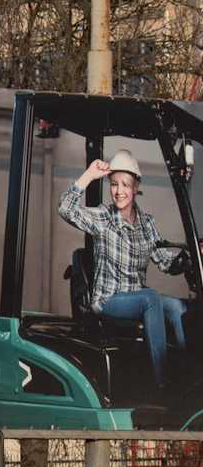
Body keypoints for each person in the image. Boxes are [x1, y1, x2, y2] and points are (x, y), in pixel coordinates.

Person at [58, 149, 188, 386]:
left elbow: (165, 261)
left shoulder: (146, 223)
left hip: (136, 298)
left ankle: (191, 377)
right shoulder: (103, 218)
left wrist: (188, 258)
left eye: (125, 185)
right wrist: (89, 175)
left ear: (135, 187)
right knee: (151, 297)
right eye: (114, 184)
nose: (119, 191)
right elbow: (65, 209)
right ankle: (162, 383)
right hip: (109, 300)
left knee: (178, 306)